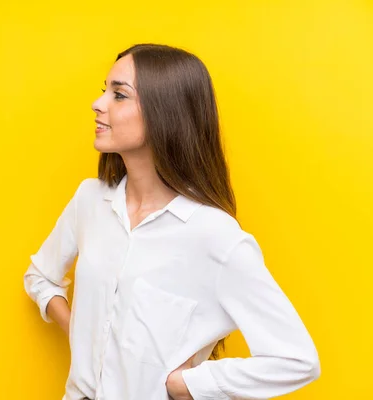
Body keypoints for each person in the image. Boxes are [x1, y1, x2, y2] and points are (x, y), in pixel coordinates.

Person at [23, 43, 320, 400]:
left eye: (119, 95)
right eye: (105, 91)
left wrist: (188, 385)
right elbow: (39, 277)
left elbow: (297, 359)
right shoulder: (90, 200)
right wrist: (81, 333)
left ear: (165, 113)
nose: (98, 104)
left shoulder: (214, 236)